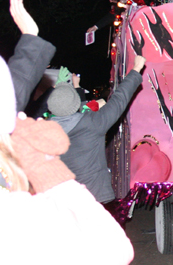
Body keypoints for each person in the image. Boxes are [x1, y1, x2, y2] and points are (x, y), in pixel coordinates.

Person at [0, 43, 134, 265]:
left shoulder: (44, 125)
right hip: (91, 201)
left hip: (55, 207)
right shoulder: (7, 214)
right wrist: (136, 73)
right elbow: (119, 101)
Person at [47, 55, 146, 203]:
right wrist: (136, 69)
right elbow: (119, 99)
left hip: (63, 202)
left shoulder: (43, 132)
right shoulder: (92, 124)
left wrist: (72, 88)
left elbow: (74, 110)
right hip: (96, 199)